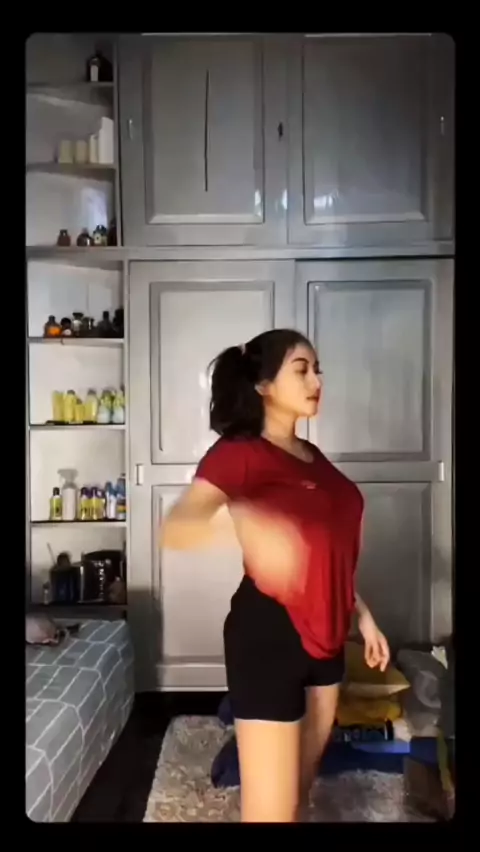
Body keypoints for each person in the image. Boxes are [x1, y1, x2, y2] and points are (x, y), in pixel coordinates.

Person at [160, 328, 390, 823]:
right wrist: (254, 527)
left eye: (318, 370)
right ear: (263, 385)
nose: (317, 381)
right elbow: (178, 526)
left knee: (298, 797)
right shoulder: (240, 452)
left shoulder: (313, 458)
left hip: (328, 640)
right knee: (271, 813)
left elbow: (329, 553)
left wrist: (363, 614)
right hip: (269, 633)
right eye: (302, 369)